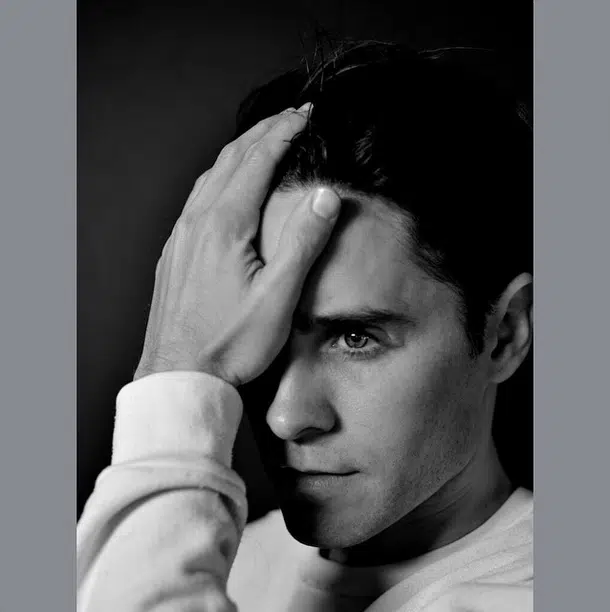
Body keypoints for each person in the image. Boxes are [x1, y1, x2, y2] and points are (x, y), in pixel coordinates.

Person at [77, 41, 533, 612]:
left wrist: (178, 372)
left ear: (505, 333)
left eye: (355, 338)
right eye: (267, 337)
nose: (286, 417)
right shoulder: (215, 557)